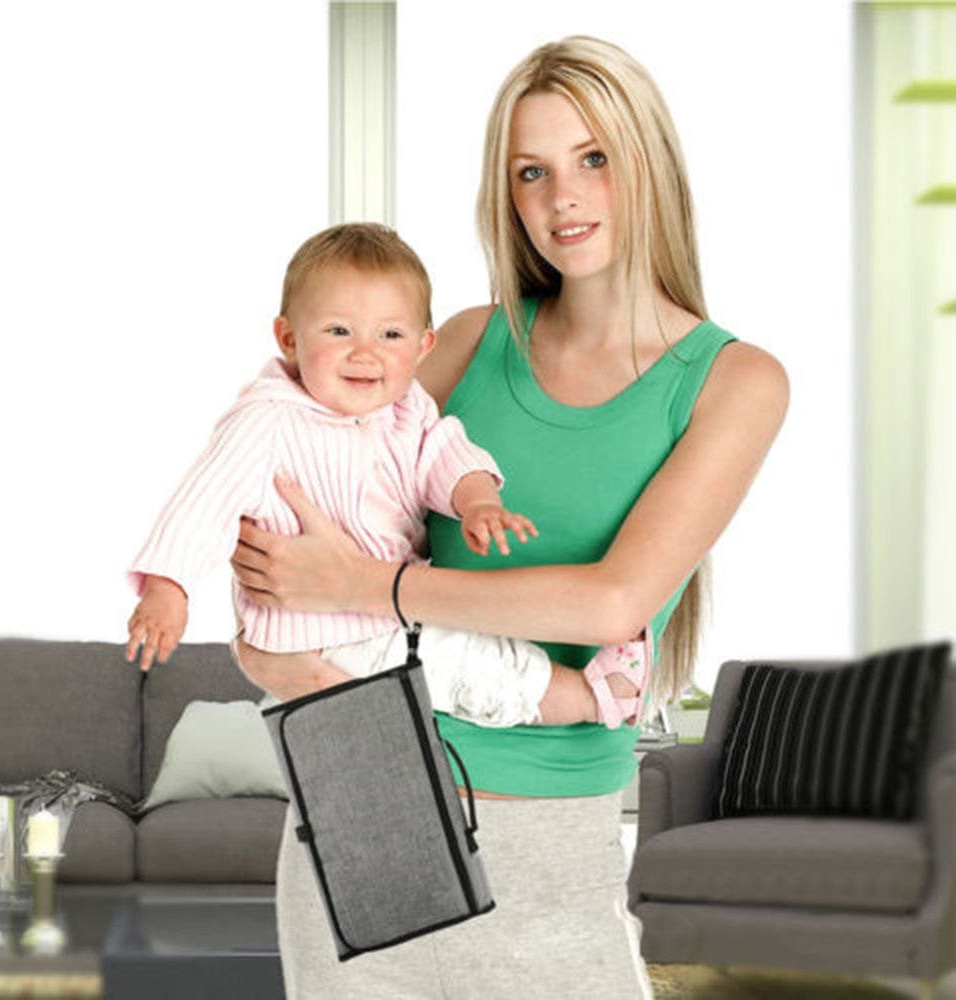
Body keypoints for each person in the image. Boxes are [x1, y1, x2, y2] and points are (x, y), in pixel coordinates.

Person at [232, 35, 789, 1000]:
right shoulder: (466, 341)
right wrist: (274, 645)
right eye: (531, 172)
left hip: (548, 839)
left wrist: (371, 589)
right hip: (361, 785)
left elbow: (613, 604)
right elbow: (297, 522)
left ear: (647, 162)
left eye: (593, 159)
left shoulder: (735, 382)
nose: (561, 198)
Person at [125, 222, 653, 731]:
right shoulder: (267, 418)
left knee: (465, 652)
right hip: (323, 630)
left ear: (423, 347)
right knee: (471, 668)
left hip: (380, 609)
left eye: (390, 334)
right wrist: (168, 589)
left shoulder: (405, 409)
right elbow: (204, 501)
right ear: (288, 337)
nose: (365, 351)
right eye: (338, 330)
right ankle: (595, 698)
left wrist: (477, 502)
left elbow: (444, 452)